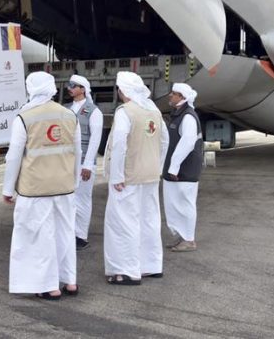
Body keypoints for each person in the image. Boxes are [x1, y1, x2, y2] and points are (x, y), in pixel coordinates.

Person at [3, 71, 81, 299]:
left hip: (35, 189)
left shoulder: (24, 118)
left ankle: (49, 286)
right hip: (65, 187)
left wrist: (8, 189)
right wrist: (73, 181)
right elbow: (77, 152)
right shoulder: (69, 115)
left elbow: (14, 156)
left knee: (39, 236)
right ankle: (70, 281)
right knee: (65, 233)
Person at [102, 71, 168, 285]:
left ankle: (126, 270)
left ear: (124, 91)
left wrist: (117, 175)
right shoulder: (154, 111)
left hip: (128, 177)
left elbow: (120, 145)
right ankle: (151, 265)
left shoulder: (125, 112)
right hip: (150, 175)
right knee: (149, 220)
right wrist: (157, 166)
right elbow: (165, 142)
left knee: (123, 222)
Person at [163, 83, 204, 252]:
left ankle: (189, 240)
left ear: (182, 97)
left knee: (185, 204)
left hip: (184, 170)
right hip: (178, 170)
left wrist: (173, 167)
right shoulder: (179, 115)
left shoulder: (188, 116)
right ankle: (182, 236)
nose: (170, 96)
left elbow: (187, 143)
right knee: (176, 204)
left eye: (174, 94)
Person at [64, 74, 103, 250]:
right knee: (69, 200)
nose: (70, 88)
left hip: (84, 162)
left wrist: (87, 165)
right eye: (69, 85)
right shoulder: (67, 109)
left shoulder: (93, 111)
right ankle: (70, 233)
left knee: (83, 199)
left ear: (83, 89)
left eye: (74, 85)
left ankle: (81, 236)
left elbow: (95, 139)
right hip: (68, 161)